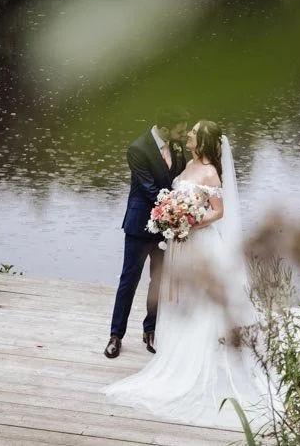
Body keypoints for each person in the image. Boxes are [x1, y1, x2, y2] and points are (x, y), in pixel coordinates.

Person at [101, 121, 269, 428]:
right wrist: (174, 216)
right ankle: (121, 335)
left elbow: (219, 210)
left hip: (195, 240)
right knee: (150, 285)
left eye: (192, 133)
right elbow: (164, 190)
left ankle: (187, 348)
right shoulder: (183, 160)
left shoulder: (209, 171)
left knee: (191, 294)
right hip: (172, 236)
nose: (187, 135)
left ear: (201, 141)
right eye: (186, 130)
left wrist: (188, 221)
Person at [104, 107, 189, 359]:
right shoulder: (138, 149)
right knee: (128, 281)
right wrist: (180, 210)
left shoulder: (177, 146)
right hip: (141, 225)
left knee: (159, 282)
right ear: (164, 128)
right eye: (180, 130)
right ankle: (115, 336)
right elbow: (150, 189)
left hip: (167, 228)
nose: (183, 134)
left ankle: (150, 330)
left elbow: (180, 179)